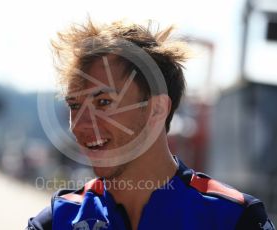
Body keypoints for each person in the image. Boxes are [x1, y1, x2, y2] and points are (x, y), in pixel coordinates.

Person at [27, 19, 275, 230]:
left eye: (103, 102)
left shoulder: (234, 218)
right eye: (74, 106)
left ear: (157, 109)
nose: (80, 125)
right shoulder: (58, 219)